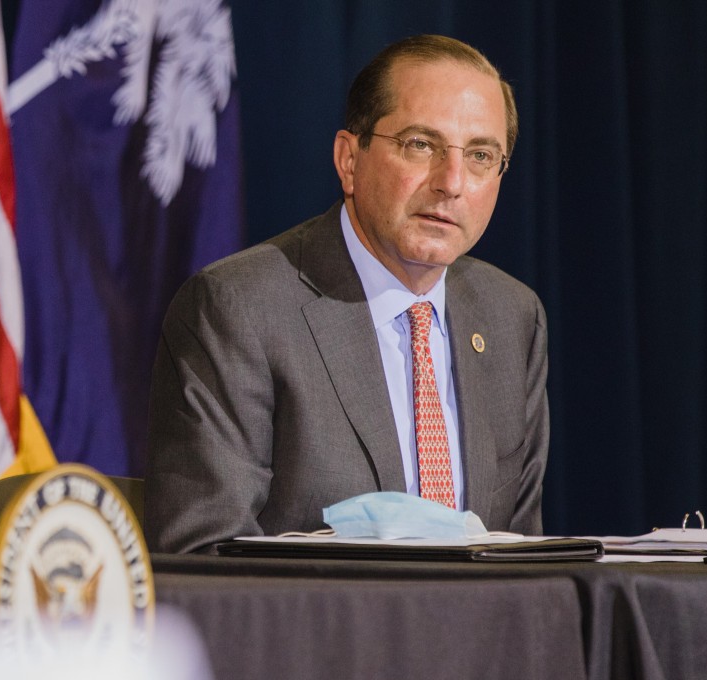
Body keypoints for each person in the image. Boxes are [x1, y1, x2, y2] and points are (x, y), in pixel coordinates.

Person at [145, 34, 548, 554]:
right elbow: (206, 558)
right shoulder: (237, 309)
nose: (451, 182)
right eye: (420, 144)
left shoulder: (512, 317)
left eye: (480, 155)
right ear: (349, 160)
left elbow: (525, 558)